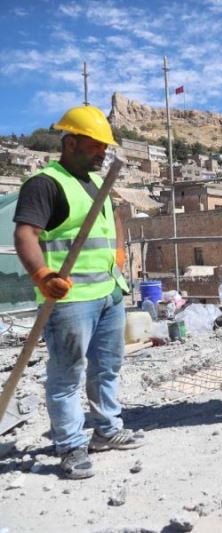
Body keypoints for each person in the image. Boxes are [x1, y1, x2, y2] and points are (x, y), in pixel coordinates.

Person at [13, 105, 143, 479]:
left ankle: (106, 430)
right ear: (70, 143)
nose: (103, 153)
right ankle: (70, 445)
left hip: (108, 295)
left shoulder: (94, 182)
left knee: (106, 367)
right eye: (96, 146)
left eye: (105, 147)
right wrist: (41, 273)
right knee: (67, 374)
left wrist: (118, 254)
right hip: (69, 300)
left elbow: (113, 218)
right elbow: (25, 234)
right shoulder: (45, 183)